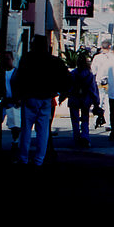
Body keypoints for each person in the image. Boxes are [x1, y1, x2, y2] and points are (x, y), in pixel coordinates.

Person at [14, 35, 70, 167]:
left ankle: (23, 158)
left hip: (30, 97)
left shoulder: (27, 58)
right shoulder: (54, 61)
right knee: (43, 131)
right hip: (46, 98)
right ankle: (39, 160)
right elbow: (66, 79)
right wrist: (59, 93)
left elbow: (19, 78)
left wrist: (18, 95)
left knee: (26, 129)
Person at [67, 52, 101, 148]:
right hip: (85, 99)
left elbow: (68, 87)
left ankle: (76, 138)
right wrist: (96, 102)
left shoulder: (73, 73)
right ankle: (85, 137)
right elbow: (93, 89)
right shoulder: (89, 75)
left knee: (75, 120)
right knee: (85, 119)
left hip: (74, 98)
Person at [0, 50, 21, 151]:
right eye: (4, 59)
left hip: (14, 102)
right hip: (3, 101)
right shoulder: (0, 73)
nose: (6, 61)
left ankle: (15, 141)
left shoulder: (17, 73)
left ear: (12, 59)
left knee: (15, 124)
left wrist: (19, 100)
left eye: (8, 59)